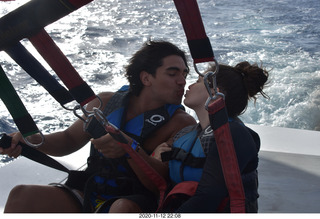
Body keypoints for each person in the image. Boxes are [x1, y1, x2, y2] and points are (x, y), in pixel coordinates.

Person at [0, 40, 196, 213]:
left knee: (121, 208)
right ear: (146, 78)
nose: (182, 81)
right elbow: (68, 140)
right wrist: (31, 140)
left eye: (184, 74)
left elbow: (160, 182)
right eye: (173, 73)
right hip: (90, 191)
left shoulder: (182, 123)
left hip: (136, 202)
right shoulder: (104, 103)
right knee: (22, 196)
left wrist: (130, 149)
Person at [152, 61, 269, 212]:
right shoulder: (185, 134)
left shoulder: (234, 135)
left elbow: (208, 198)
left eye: (198, 82)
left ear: (215, 91)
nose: (189, 85)